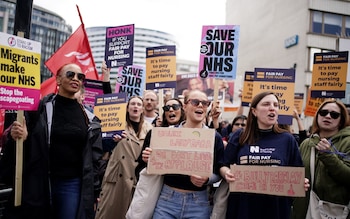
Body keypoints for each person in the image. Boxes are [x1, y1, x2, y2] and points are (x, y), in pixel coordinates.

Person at [0, 63, 103, 219]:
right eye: (70, 75)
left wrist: (94, 191)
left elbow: (94, 159)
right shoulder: (39, 109)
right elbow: (22, 146)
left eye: (80, 77)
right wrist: (21, 136)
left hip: (71, 185)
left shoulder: (90, 120)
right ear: (58, 80)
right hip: (40, 180)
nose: (76, 79)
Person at [218, 91, 309, 219]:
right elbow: (223, 164)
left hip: (276, 209)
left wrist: (301, 182)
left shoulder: (287, 139)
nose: (272, 108)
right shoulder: (240, 136)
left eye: (276, 105)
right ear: (254, 111)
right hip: (243, 208)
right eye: (266, 104)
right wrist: (227, 173)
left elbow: (297, 172)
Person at [141, 90, 224, 219]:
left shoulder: (214, 137)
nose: (200, 105)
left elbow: (219, 172)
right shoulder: (167, 134)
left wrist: (207, 179)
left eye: (205, 103)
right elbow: (154, 166)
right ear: (184, 106)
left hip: (198, 203)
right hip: (167, 201)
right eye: (195, 102)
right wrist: (149, 159)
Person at [95, 96, 153, 219]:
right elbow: (101, 147)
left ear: (142, 109)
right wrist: (112, 140)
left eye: (138, 104)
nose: (135, 107)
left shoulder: (150, 129)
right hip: (118, 177)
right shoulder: (116, 125)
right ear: (127, 108)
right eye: (132, 104)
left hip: (138, 178)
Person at [292, 99, 350, 219]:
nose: (328, 116)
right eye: (323, 113)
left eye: (334, 115)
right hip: (303, 210)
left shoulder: (347, 142)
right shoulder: (307, 143)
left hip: (333, 212)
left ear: (341, 120)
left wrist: (327, 155)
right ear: (317, 116)